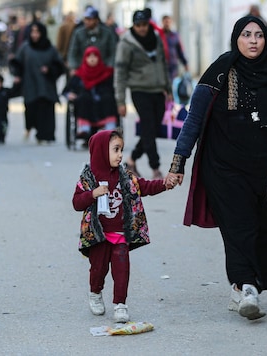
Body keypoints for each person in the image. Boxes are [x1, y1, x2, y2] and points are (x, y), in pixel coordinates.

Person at [165, 16, 267, 321]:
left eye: (258, 35)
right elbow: (194, 120)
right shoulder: (219, 72)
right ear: (236, 39)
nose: (253, 40)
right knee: (239, 226)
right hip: (224, 167)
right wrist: (178, 163)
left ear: (266, 39)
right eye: (246, 34)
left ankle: (244, 286)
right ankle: (247, 286)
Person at [72, 129, 172, 323]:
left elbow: (145, 187)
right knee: (98, 269)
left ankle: (120, 304)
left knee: (122, 269)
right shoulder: (88, 178)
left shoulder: (125, 176)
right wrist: (92, 194)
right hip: (98, 236)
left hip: (120, 234)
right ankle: (95, 292)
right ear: (101, 151)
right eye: (115, 150)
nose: (120, 155)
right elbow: (76, 203)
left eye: (121, 150)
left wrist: (165, 184)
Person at [114, 9, 172, 180]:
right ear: (134, 25)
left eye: (144, 24)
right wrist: (120, 101)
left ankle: (131, 160)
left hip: (157, 90)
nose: (141, 28)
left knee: (152, 128)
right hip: (139, 90)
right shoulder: (127, 43)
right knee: (148, 126)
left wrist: (168, 89)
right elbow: (120, 72)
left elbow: (163, 64)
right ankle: (156, 167)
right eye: (138, 25)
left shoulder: (155, 38)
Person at [10, 21, 64, 144]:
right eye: (32, 32)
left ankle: (45, 135)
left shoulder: (50, 49)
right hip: (30, 84)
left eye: (37, 32)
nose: (34, 35)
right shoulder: (25, 47)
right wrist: (17, 75)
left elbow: (59, 66)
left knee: (46, 110)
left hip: (46, 85)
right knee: (31, 109)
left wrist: (49, 70)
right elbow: (17, 63)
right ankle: (30, 128)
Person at [63, 46, 118, 142]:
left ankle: (110, 128)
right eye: (89, 56)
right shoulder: (79, 74)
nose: (92, 59)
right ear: (85, 58)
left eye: (95, 56)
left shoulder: (107, 73)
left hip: (103, 103)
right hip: (86, 104)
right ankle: (84, 129)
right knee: (83, 98)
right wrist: (69, 95)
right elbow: (67, 90)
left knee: (108, 98)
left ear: (99, 58)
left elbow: (114, 88)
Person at [67, 6, 117, 75]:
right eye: (86, 19)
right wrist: (74, 67)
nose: (87, 22)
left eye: (90, 19)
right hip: (83, 71)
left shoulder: (107, 33)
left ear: (96, 20)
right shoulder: (78, 33)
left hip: (103, 71)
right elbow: (73, 52)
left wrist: (109, 67)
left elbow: (112, 52)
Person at [161, 15, 188, 80]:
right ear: (162, 22)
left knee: (172, 84)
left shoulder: (175, 35)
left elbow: (180, 51)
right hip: (161, 65)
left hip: (173, 65)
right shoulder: (159, 35)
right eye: (165, 22)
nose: (167, 24)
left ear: (171, 23)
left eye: (168, 22)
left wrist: (185, 63)